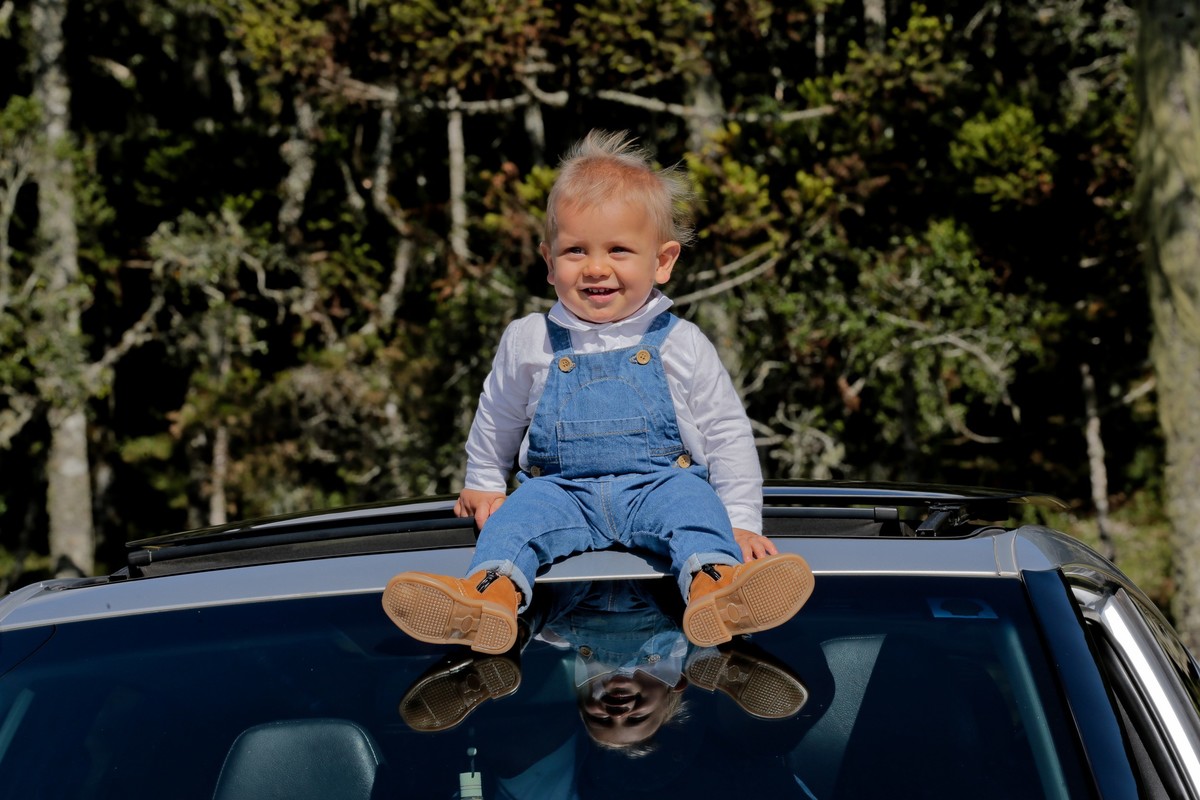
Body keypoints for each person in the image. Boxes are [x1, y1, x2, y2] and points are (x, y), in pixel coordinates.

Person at [382, 129, 813, 655]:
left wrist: (741, 523)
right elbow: (497, 413)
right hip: (561, 490)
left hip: (659, 485)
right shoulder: (530, 339)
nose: (595, 267)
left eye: (618, 250)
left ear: (663, 261)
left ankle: (716, 586)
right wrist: (484, 480)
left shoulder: (681, 342)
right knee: (514, 521)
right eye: (575, 250)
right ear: (548, 261)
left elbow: (726, 433)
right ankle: (488, 597)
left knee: (697, 509)